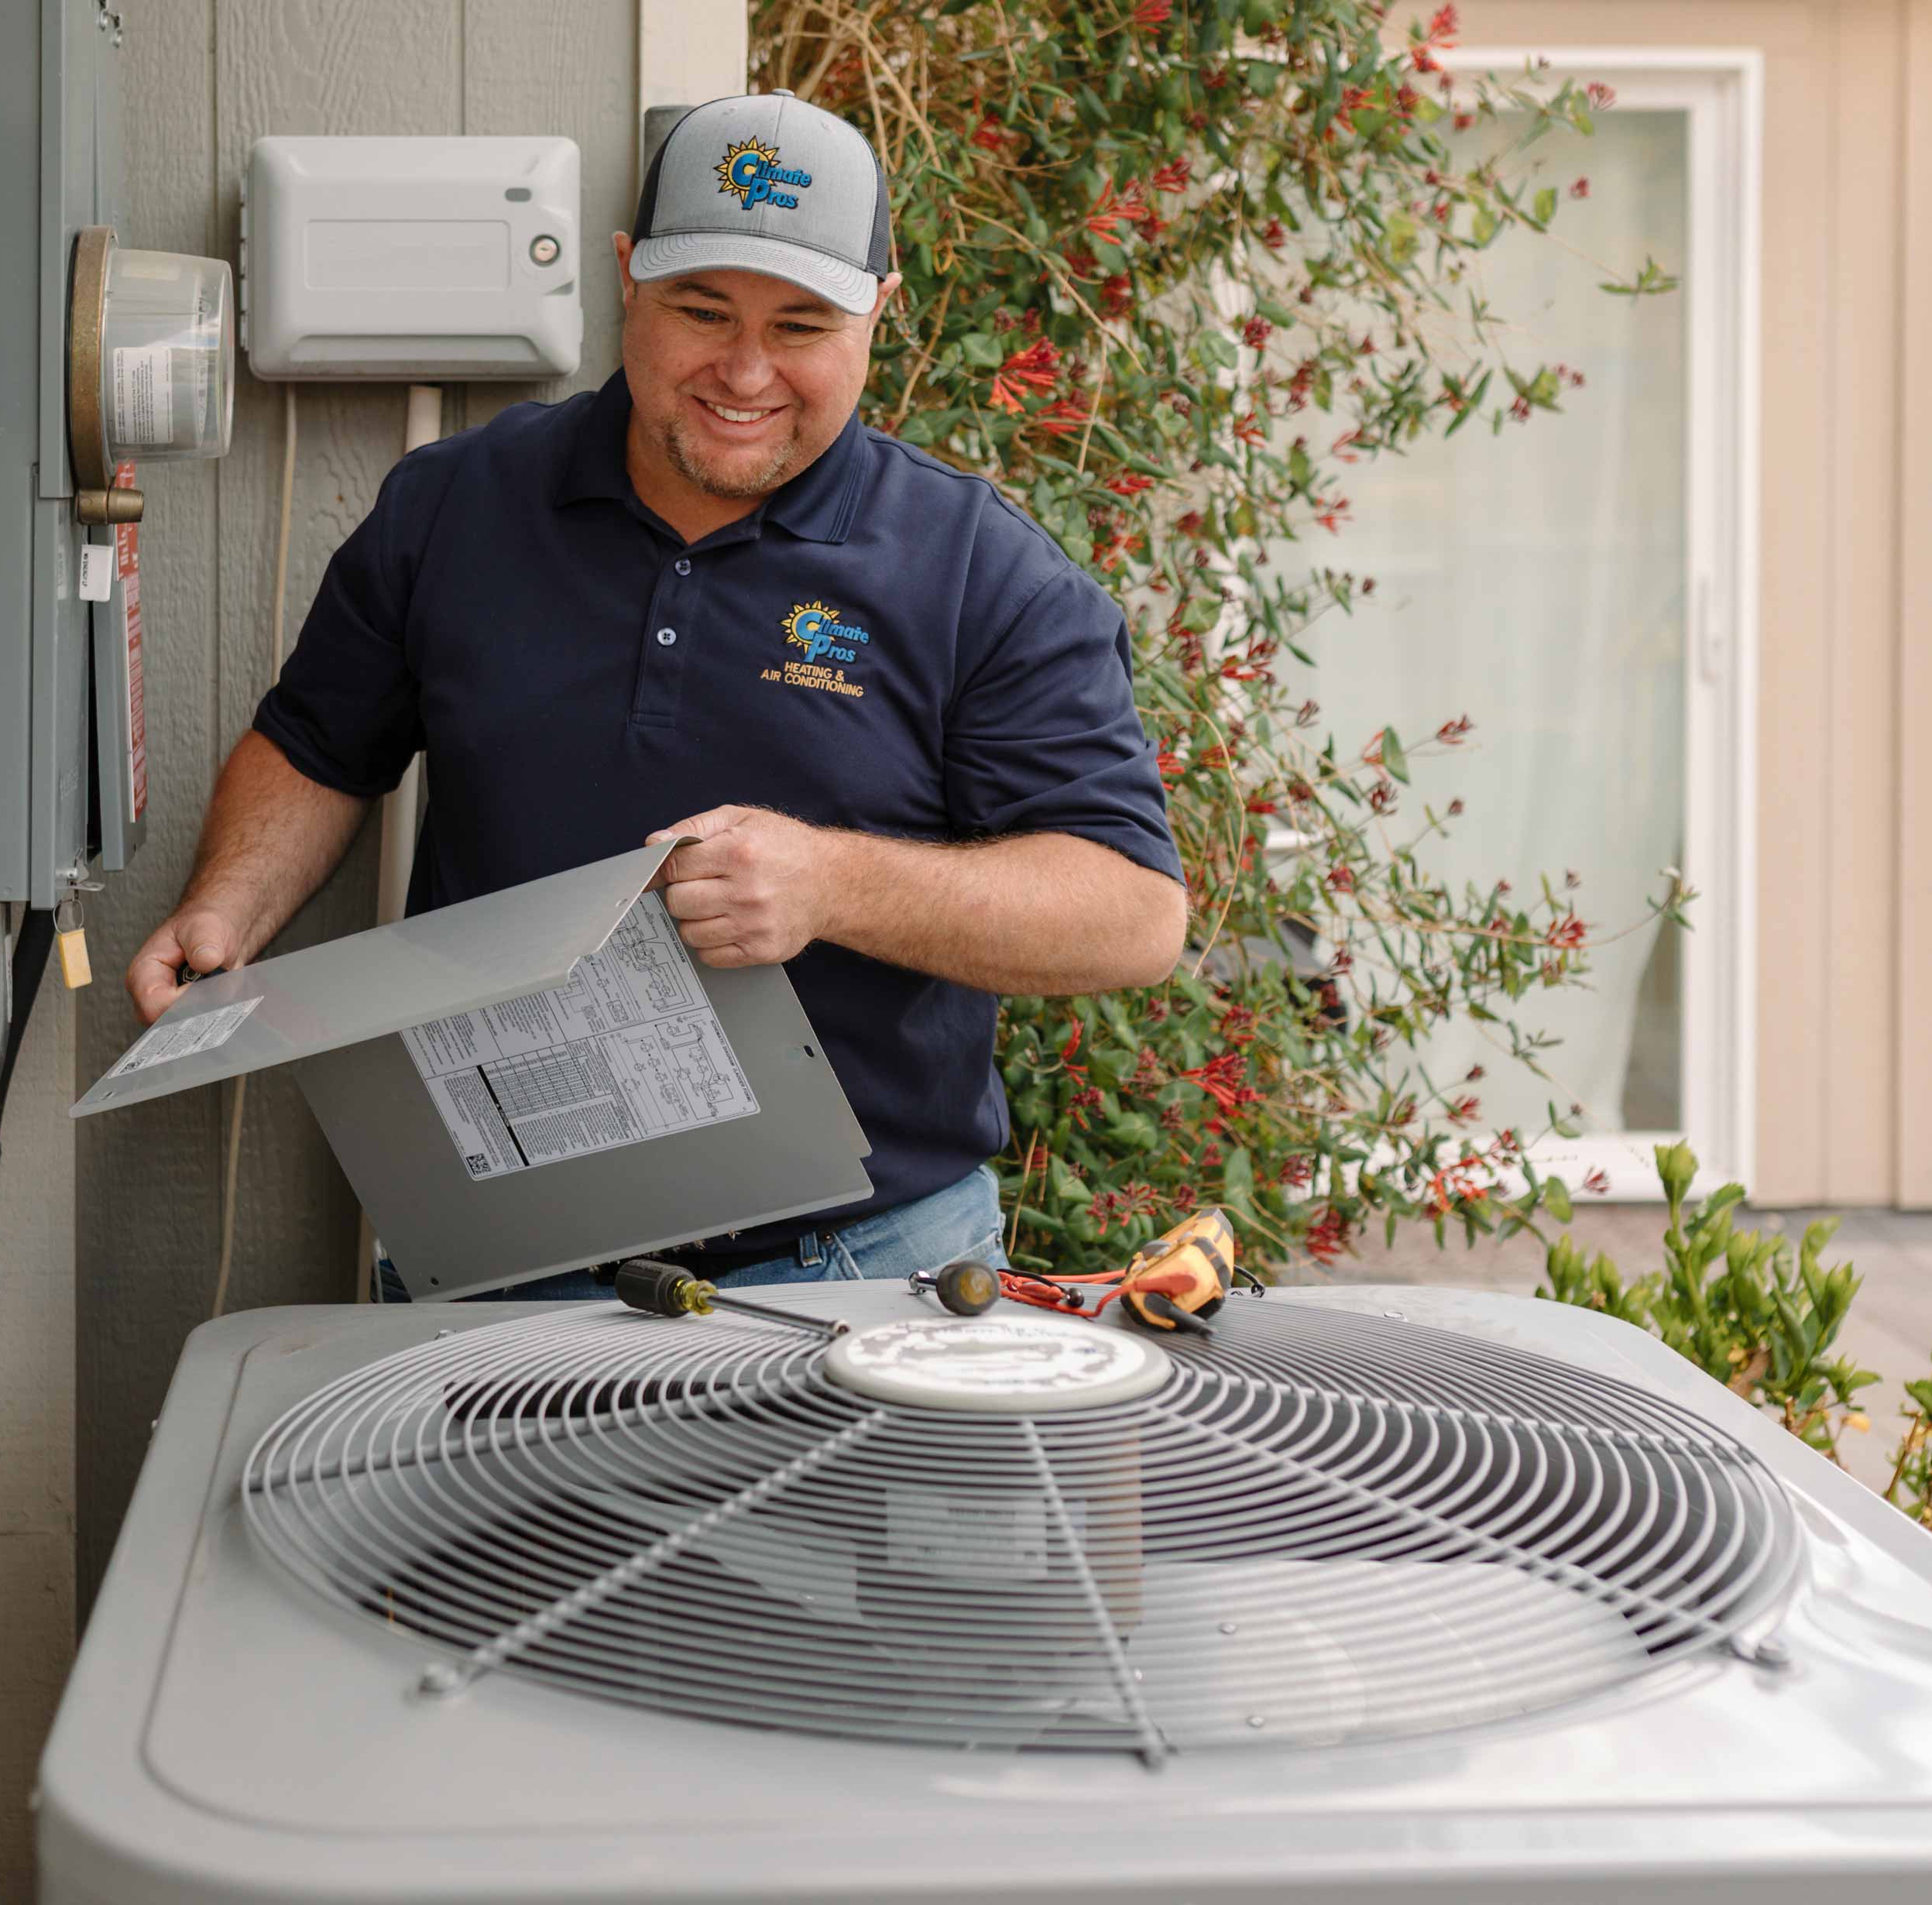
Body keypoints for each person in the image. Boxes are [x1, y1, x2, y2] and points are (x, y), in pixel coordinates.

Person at [125, 91, 1186, 1295]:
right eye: (701, 309)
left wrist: (833, 882)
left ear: (879, 316)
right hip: (500, 1250)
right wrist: (227, 912)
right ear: (626, 278)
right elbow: (318, 749)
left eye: (802, 324)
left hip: (865, 1263)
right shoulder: (454, 506)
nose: (744, 371)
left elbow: (1132, 913)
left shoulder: (978, 571)